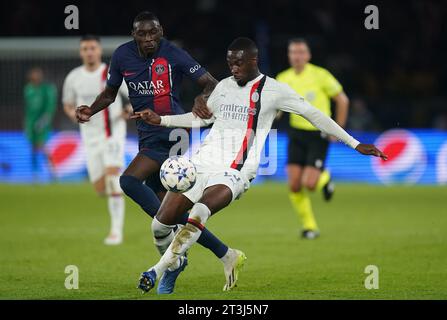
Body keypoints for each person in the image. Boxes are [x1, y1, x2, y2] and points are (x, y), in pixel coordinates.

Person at [131, 37, 387, 293]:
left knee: (200, 212)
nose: (233, 68)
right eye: (230, 63)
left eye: (239, 63)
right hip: (201, 163)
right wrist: (161, 120)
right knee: (160, 226)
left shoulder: (274, 90)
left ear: (254, 60)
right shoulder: (222, 87)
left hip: (236, 170)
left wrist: (354, 143)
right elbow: (200, 120)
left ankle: (157, 270)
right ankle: (192, 262)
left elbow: (315, 115)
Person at [75, 12, 243, 294]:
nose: (149, 39)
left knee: (128, 181)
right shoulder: (121, 56)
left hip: (172, 132)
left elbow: (211, 83)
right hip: (147, 134)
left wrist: (201, 99)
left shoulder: (174, 54)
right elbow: (110, 93)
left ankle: (179, 244)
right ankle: (220, 254)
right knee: (174, 212)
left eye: (153, 33)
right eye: (143, 34)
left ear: (160, 31)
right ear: (134, 34)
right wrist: (90, 110)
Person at [276, 38, 350, 239]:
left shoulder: (320, 75)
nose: (297, 56)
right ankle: (309, 227)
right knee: (294, 184)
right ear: (289, 55)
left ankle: (324, 179)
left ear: (308, 56)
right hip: (296, 133)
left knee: (309, 184)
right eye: (293, 52)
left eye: (301, 52)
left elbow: (342, 100)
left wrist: (338, 129)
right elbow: (277, 108)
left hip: (319, 133)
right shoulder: (282, 78)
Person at [63, 35, 132, 245]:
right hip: (90, 138)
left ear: (99, 50)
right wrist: (74, 116)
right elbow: (68, 104)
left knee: (112, 180)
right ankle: (130, 186)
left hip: (113, 135)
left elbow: (133, 97)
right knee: (101, 188)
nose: (89, 52)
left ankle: (116, 232)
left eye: (93, 48)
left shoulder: (110, 72)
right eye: (85, 48)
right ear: (81, 52)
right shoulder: (74, 77)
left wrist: (128, 110)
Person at [23, 67, 57, 180]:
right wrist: (27, 124)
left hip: (42, 122)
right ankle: (35, 173)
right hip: (31, 123)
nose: (36, 77)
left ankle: (53, 171)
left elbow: (50, 106)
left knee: (42, 146)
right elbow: (27, 108)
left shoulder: (46, 89)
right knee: (32, 148)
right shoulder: (28, 89)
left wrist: (45, 119)